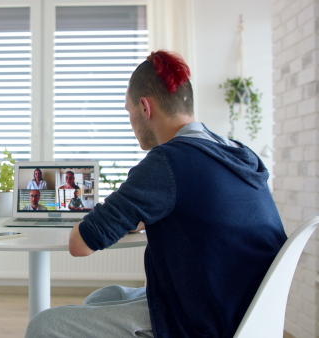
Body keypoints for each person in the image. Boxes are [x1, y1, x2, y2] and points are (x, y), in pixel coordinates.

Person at [25, 50, 287, 337]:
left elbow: (80, 244)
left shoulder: (168, 161)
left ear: (145, 108)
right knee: (103, 297)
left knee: (44, 324)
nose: (131, 123)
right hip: (243, 309)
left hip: (201, 321)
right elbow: (193, 209)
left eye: (128, 112)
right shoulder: (235, 152)